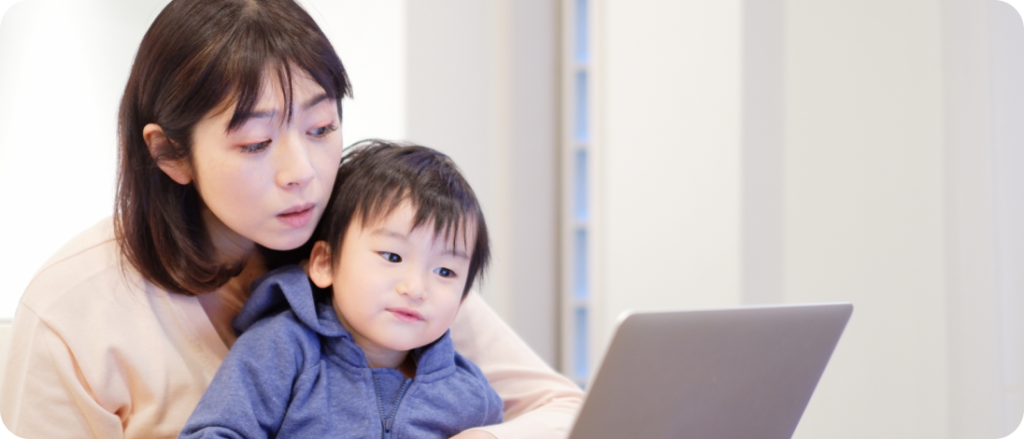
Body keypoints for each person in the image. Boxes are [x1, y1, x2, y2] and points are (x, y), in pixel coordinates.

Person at [0, 1, 582, 438]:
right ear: (170, 154)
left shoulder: (381, 249)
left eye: (321, 128)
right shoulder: (72, 313)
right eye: (256, 143)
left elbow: (563, 410)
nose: (302, 171)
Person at [179, 141, 504, 438]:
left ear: (463, 299)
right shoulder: (280, 349)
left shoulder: (470, 394)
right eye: (392, 256)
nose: (416, 289)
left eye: (445, 271)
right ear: (325, 263)